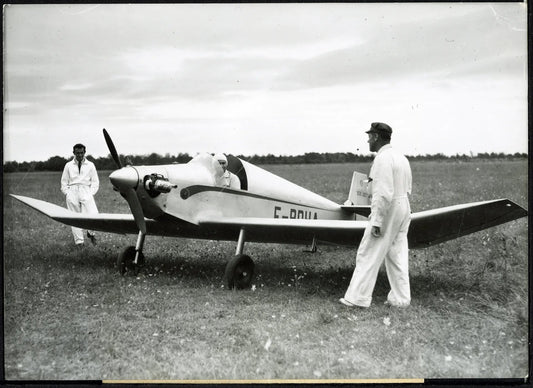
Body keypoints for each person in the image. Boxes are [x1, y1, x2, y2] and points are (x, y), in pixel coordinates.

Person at [340, 122, 412, 308]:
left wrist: (377, 220)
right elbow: (407, 187)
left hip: (389, 207)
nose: (367, 140)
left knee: (368, 252)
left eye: (370, 136)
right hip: (403, 205)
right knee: (397, 254)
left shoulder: (382, 159)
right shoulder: (400, 157)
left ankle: (357, 298)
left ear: (377, 137)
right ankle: (401, 299)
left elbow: (383, 192)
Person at [60, 143, 99, 246]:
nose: (80, 155)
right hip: (72, 191)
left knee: (93, 214)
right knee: (74, 218)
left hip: (86, 190)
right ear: (74, 153)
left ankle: (91, 233)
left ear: (84, 152)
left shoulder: (90, 165)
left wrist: (90, 193)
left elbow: (95, 182)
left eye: (82, 153)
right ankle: (79, 243)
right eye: (77, 153)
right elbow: (64, 182)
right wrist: (68, 193)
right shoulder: (68, 165)